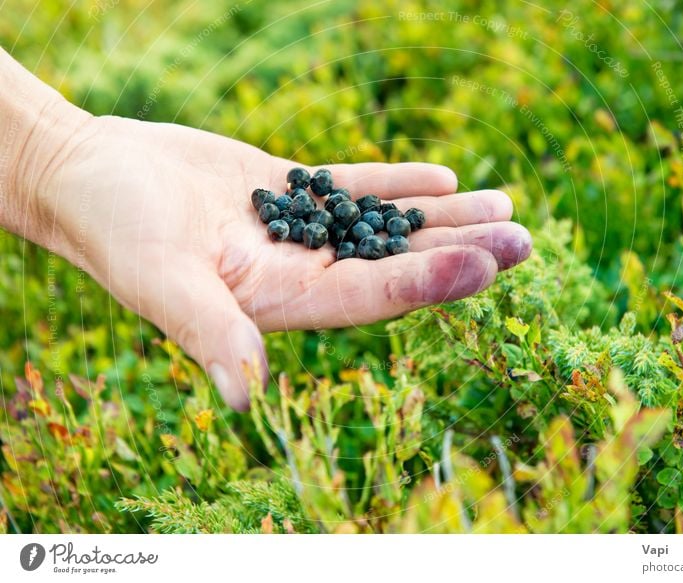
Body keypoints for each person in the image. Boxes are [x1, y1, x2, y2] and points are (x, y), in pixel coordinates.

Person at [0, 48, 532, 410]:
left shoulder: (328, 216)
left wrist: (53, 148)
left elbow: (342, 218)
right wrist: (48, 155)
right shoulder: (303, 215)